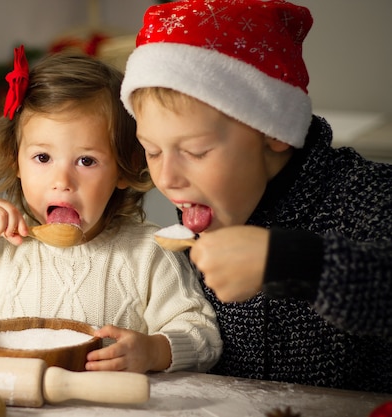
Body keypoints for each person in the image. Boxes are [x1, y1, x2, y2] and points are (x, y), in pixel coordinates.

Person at [0, 46, 222, 374]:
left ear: (123, 169)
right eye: (43, 158)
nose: (62, 181)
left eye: (86, 161)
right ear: (15, 159)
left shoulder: (148, 253)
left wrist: (153, 351)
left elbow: (203, 335)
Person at [120, 0, 392, 393]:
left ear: (273, 130)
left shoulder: (364, 197)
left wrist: (291, 261)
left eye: (196, 152)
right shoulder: (199, 218)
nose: (167, 178)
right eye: (153, 150)